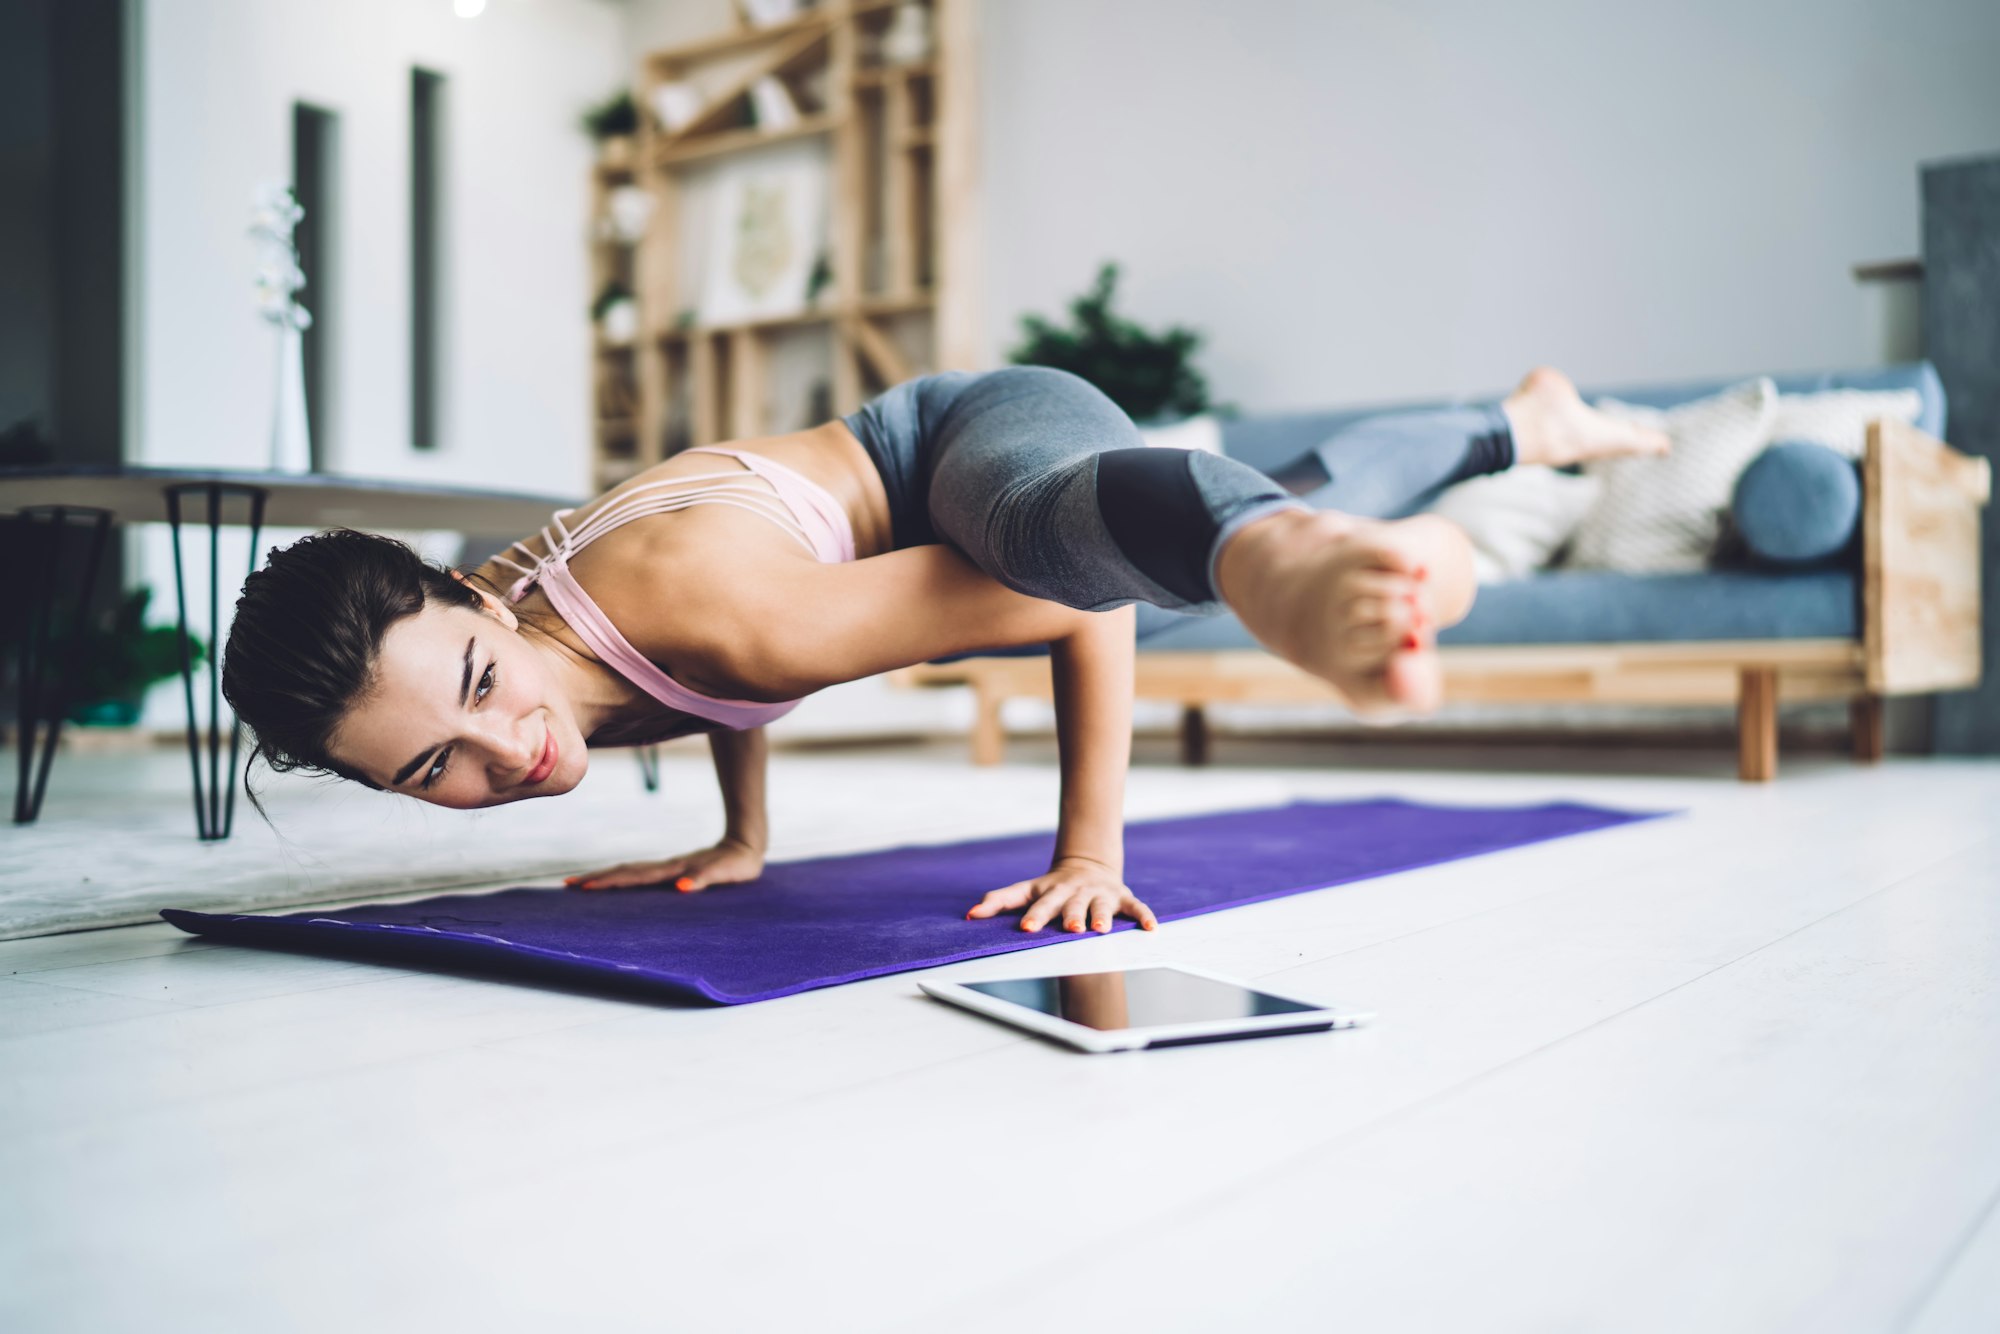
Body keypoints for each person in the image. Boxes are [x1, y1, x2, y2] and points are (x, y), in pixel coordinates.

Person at [221, 366, 1665, 935]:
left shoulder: (728, 605)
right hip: (856, 528)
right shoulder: (542, 646)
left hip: (968, 440)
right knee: (1280, 476)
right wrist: (743, 833)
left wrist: (1090, 848)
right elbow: (679, 685)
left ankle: (1274, 555)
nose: (511, 750)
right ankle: (1518, 424)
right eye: (434, 771)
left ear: (480, 597)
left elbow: (1074, 604)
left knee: (1074, 543)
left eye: (479, 692)